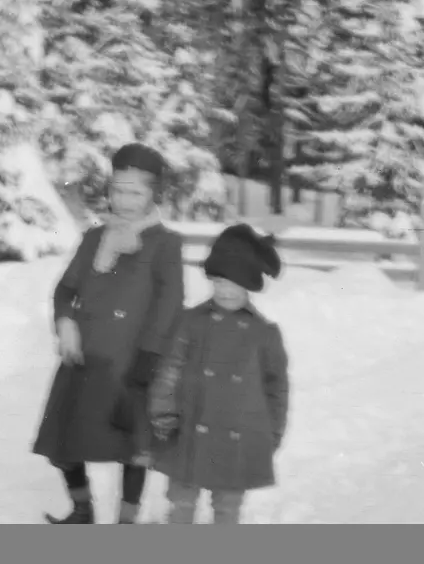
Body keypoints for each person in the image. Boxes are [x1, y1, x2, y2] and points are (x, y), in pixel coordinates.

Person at [32, 143, 185, 524]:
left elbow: (169, 303)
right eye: (118, 190)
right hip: (85, 359)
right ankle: (82, 509)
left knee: (133, 449)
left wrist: (150, 355)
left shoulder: (165, 244)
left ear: (153, 195)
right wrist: (65, 323)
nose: (125, 200)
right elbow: (66, 290)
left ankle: (126, 522)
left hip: (131, 362)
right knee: (63, 441)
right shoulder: (93, 238)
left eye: (136, 192)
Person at [147, 223, 290, 524]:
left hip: (237, 438)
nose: (225, 290)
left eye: (234, 283)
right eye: (219, 282)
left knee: (227, 508)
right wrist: (163, 413)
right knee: (181, 503)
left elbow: (276, 389)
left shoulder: (264, 334)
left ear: (249, 285)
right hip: (189, 430)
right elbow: (170, 370)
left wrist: (273, 432)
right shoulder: (191, 322)